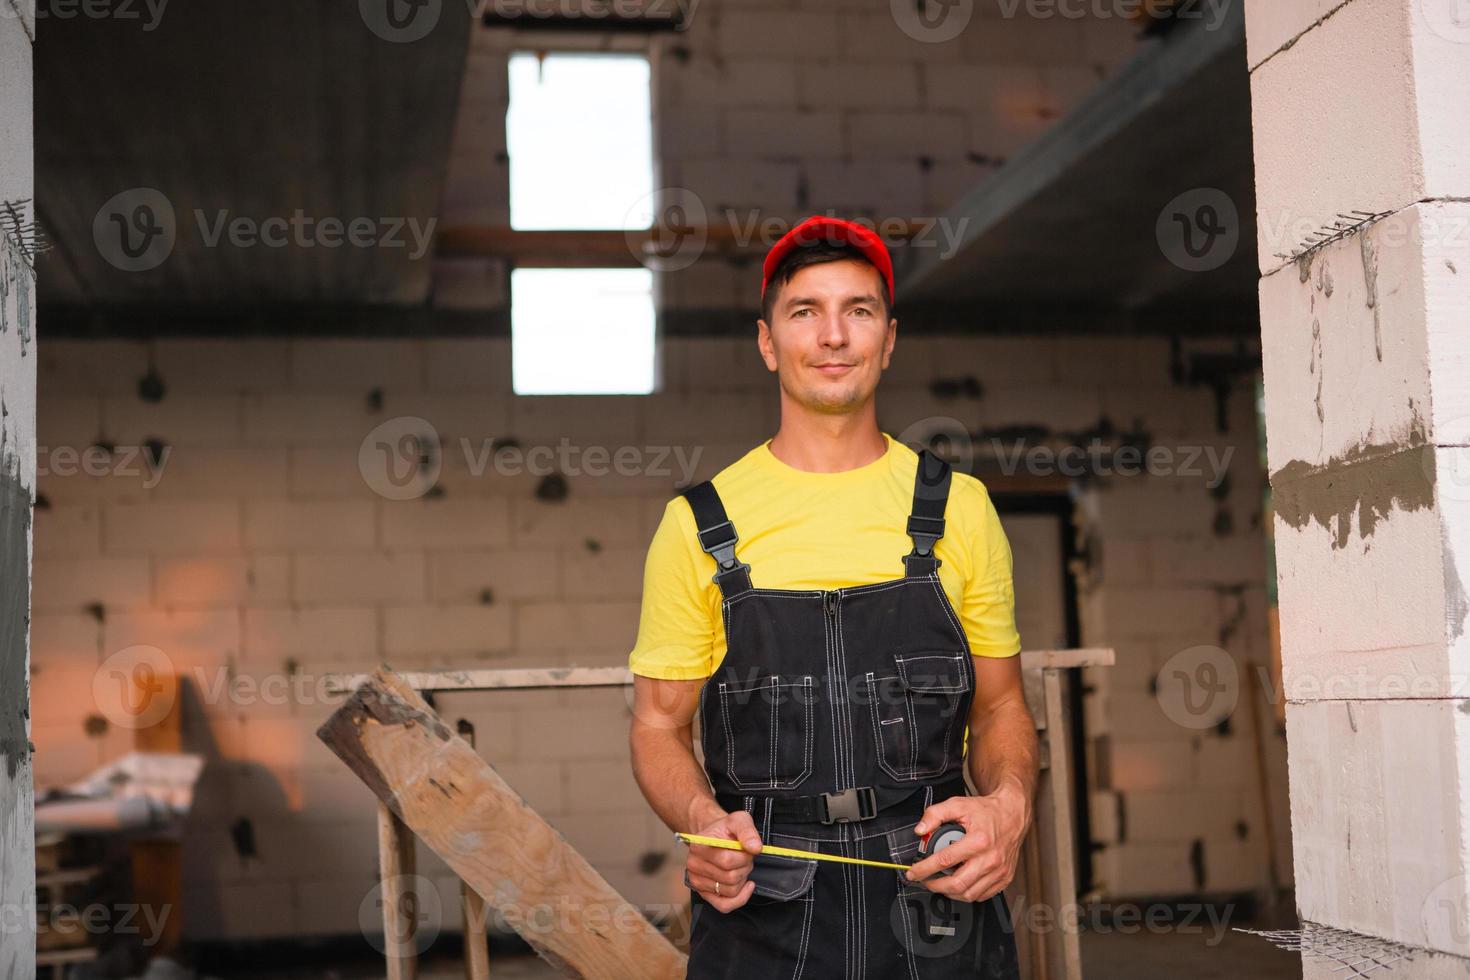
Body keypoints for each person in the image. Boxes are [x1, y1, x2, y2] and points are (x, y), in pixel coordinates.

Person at [627, 215, 1038, 977]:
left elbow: (1001, 707)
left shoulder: (960, 510)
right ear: (767, 341)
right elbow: (658, 723)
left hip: (936, 899)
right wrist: (700, 822)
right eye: (804, 312)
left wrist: (1008, 808)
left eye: (859, 310)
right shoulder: (698, 526)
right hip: (765, 910)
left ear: (888, 338)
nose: (833, 336)